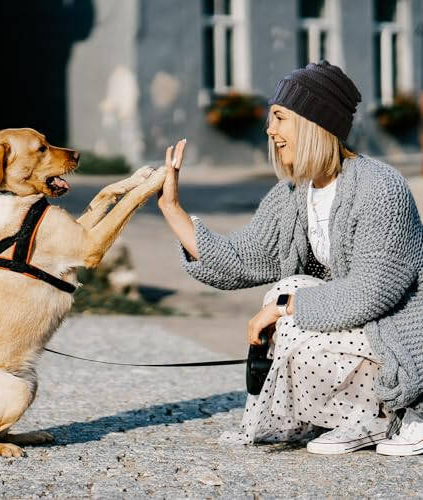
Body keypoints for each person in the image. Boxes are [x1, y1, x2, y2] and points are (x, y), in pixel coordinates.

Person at [157, 60, 423, 455]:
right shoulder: (295, 193)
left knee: (287, 299)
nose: (270, 129)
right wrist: (173, 209)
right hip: (359, 330)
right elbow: (239, 260)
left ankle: (402, 411)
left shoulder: (379, 187)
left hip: (400, 336)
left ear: (315, 122)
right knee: (286, 290)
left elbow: (371, 293)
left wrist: (284, 308)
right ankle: (357, 418)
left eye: (280, 117)